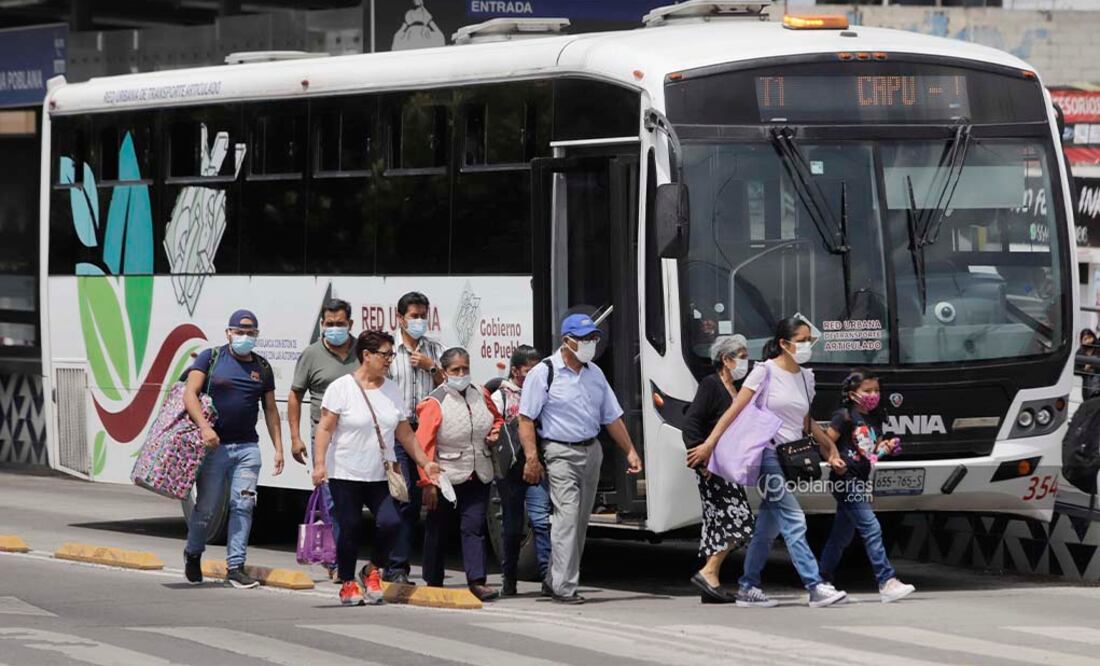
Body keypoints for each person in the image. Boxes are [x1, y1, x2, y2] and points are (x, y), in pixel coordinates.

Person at [699, 316, 848, 608]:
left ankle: (748, 586)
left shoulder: (807, 377)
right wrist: (709, 444)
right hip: (766, 453)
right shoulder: (763, 372)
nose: (807, 346)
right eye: (802, 340)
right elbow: (735, 411)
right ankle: (815, 585)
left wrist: (829, 447)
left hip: (790, 456)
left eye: (810, 340)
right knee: (794, 518)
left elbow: (804, 421)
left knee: (768, 524)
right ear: (784, 343)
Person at [519, 313, 643, 604]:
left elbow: (611, 417)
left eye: (594, 338)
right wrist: (531, 458)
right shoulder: (544, 372)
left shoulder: (594, 373)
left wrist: (630, 450)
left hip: (591, 451)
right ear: (567, 341)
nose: (591, 344)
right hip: (560, 452)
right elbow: (526, 419)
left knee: (581, 520)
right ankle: (564, 586)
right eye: (585, 339)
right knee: (567, 518)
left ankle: (554, 577)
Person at [311, 330, 441, 606]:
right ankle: (347, 582)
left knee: (392, 523)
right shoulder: (341, 388)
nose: (389, 360)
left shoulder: (391, 390)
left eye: (391, 355)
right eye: (385, 354)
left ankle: (372, 570)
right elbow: (324, 428)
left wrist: (426, 463)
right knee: (350, 528)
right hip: (344, 473)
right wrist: (319, 464)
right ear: (366, 355)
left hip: (380, 474)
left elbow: (405, 434)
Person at [182, 309, 285, 589]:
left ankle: (236, 567)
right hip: (215, 448)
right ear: (228, 333)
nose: (245, 337)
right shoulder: (211, 358)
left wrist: (278, 449)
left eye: (251, 333)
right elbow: (189, 394)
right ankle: (193, 552)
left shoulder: (262, 368)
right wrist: (205, 428)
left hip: (247, 449)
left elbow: (271, 410)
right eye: (240, 332)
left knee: (244, 506)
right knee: (207, 509)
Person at [818, 369, 916, 603]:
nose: (873, 395)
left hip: (860, 481)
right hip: (845, 481)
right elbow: (825, 442)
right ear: (853, 394)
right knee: (871, 527)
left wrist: (888, 446)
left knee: (840, 536)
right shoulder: (844, 416)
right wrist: (832, 459)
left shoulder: (876, 417)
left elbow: (873, 449)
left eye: (876, 391)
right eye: (867, 391)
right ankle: (886, 580)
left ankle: (821, 579)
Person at [415, 347, 504, 601]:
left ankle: (477, 581)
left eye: (465, 368)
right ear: (444, 372)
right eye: (456, 370)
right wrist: (428, 483)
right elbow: (424, 445)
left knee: (474, 527)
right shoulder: (435, 402)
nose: (461, 373)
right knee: (438, 528)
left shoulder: (480, 394)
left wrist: (495, 432)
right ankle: (433, 579)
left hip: (479, 472)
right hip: (445, 476)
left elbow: (496, 419)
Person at [288, 298, 359, 578]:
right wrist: (295, 437)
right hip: (325, 440)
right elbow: (295, 395)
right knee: (332, 501)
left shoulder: (362, 352)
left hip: (358, 439)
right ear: (322, 325)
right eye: (329, 324)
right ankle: (338, 563)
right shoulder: (311, 354)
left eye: (340, 324)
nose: (334, 329)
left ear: (350, 324)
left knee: (357, 502)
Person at [682, 335, 756, 604]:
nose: (745, 361)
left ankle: (711, 582)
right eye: (741, 355)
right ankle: (708, 571)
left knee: (718, 524)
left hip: (731, 466)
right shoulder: (711, 385)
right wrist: (700, 459)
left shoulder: (736, 389)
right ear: (726, 359)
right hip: (714, 467)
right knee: (740, 520)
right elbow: (691, 422)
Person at [385, 291, 445, 584]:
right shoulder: (388, 352)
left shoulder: (435, 350)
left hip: (428, 433)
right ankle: (396, 568)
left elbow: (451, 385)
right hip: (398, 432)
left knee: (428, 502)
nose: (419, 321)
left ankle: (424, 571)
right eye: (414, 316)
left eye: (423, 316)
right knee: (403, 499)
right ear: (400, 318)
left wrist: (430, 367)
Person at [492, 345, 553, 596]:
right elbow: (492, 428)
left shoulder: (545, 393)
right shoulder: (501, 397)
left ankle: (548, 578)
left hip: (536, 467)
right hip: (511, 472)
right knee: (513, 527)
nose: (534, 376)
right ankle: (509, 579)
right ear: (515, 371)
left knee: (541, 521)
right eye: (528, 371)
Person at [1080, 329, 1100, 401]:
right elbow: (1076, 369)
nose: (1088, 341)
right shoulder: (1081, 352)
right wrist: (1085, 369)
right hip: (1087, 383)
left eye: (1089, 337)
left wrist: (1093, 365)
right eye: (1085, 339)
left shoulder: (1098, 347)